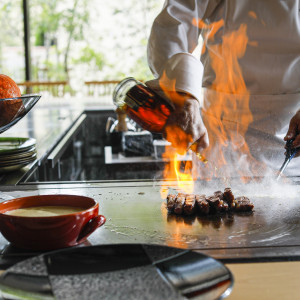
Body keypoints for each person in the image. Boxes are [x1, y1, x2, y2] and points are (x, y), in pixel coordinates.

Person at [146, 0, 300, 178]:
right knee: (216, 199)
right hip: (222, 133)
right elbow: (172, 25)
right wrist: (184, 96)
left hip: (294, 140)